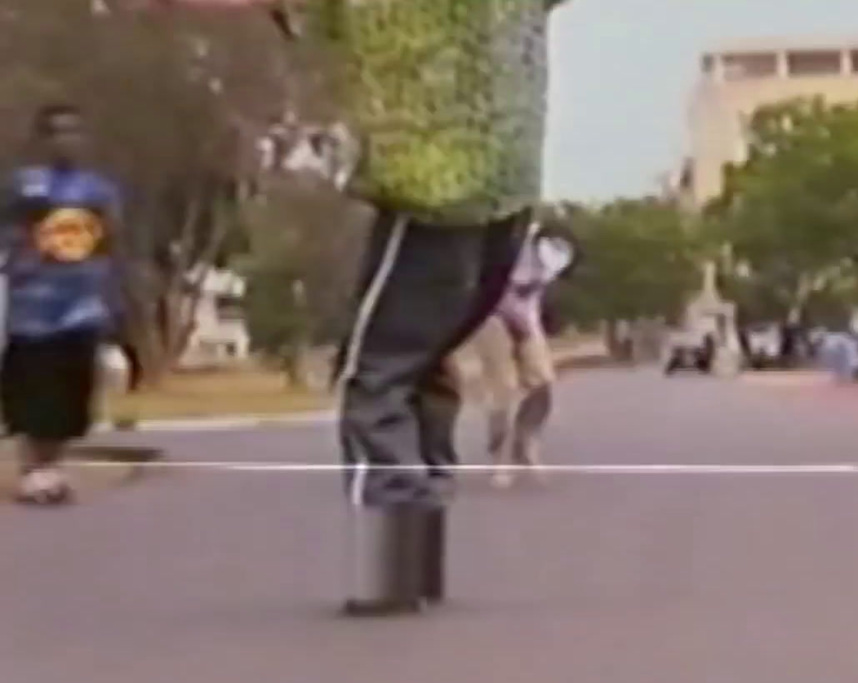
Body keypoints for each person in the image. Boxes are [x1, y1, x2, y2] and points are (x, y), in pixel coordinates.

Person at [181, 0, 573, 616]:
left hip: (430, 191)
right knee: (424, 361)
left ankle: (386, 566)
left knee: (379, 370)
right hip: (507, 193)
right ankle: (419, 545)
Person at [0, 103, 123, 505]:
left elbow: (110, 243)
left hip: (81, 306)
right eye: (57, 132)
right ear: (42, 139)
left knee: (72, 392)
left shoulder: (97, 191)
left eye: (74, 132)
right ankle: (32, 470)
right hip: (32, 308)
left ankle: (52, 468)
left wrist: (112, 296)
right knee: (35, 389)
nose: (67, 140)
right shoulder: (22, 186)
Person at [463, 220, 578, 488]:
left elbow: (530, 300)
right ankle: (500, 460)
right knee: (504, 387)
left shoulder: (552, 258)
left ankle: (526, 439)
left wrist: (529, 331)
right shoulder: (509, 250)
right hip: (489, 315)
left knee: (543, 380)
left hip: (524, 318)